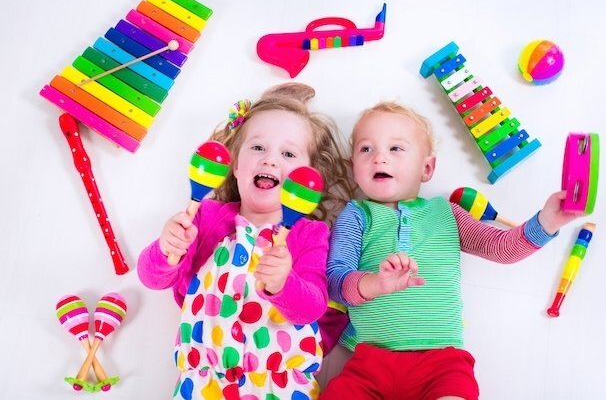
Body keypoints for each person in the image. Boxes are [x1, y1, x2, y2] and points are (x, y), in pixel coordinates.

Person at [321, 102, 581, 400]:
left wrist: (547, 222)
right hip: (370, 363)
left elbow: (501, 248)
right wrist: (374, 283)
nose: (379, 157)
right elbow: (335, 282)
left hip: (442, 363)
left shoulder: (447, 213)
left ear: (427, 168)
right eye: (366, 149)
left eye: (396, 148)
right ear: (353, 166)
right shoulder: (356, 215)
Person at [138, 83, 354, 400]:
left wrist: (283, 283)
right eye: (258, 147)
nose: (270, 160)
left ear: (309, 177)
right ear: (235, 165)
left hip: (280, 385)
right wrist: (166, 249)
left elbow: (312, 308)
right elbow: (153, 278)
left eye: (288, 154)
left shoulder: (310, 234)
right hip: (203, 384)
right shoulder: (204, 217)